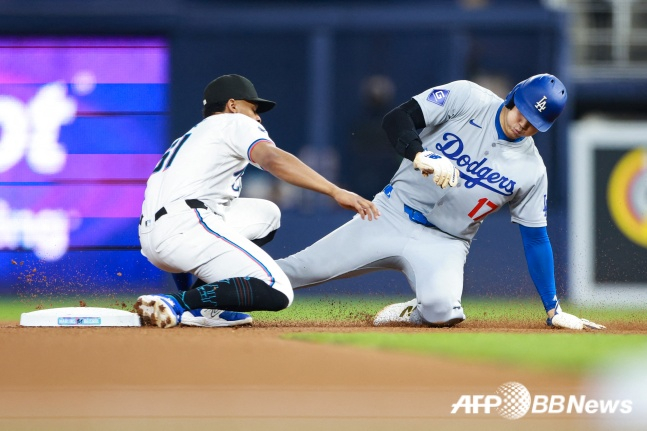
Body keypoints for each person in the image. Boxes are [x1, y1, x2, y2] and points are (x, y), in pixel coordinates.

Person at [277, 73, 606, 330]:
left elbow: (536, 238)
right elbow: (397, 118)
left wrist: (553, 308)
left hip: (446, 242)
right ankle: (225, 290)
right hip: (388, 214)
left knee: (443, 312)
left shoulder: (532, 170)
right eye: (524, 111)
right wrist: (419, 155)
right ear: (514, 96)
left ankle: (411, 312)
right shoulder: (468, 98)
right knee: (301, 269)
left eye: (535, 124)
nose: (524, 124)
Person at [136, 74, 379, 328]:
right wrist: (334, 190)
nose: (257, 116)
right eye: (252, 108)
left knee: (267, 214)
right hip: (188, 226)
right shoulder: (233, 123)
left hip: (154, 234)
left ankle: (204, 307)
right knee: (277, 290)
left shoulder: (188, 139)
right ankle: (179, 302)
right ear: (232, 106)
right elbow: (272, 159)